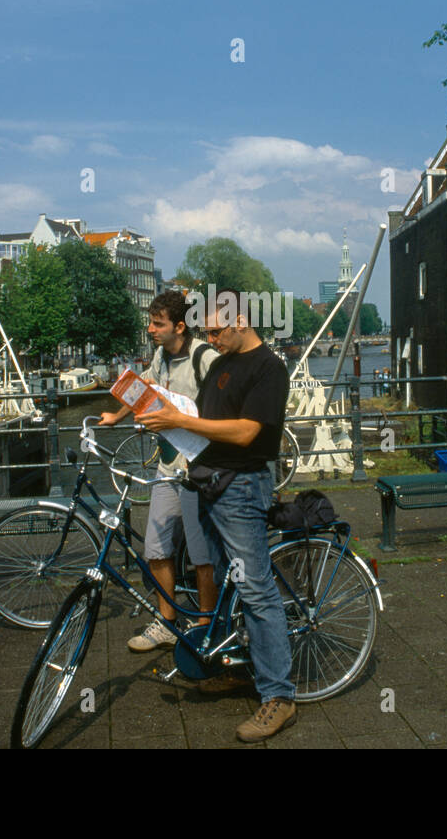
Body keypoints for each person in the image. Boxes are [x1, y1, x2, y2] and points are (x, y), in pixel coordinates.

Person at [137, 288, 295, 743]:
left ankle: (280, 697)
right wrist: (162, 414)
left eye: (217, 330)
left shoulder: (269, 368)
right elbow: (200, 414)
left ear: (240, 320)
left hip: (244, 486)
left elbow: (247, 432)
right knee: (225, 579)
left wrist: (182, 423)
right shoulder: (222, 365)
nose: (212, 338)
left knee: (255, 588)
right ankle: (239, 670)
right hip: (210, 482)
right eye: (206, 331)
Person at [98, 290, 218, 650]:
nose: (150, 329)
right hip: (168, 467)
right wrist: (116, 417)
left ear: (179, 326)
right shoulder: (161, 355)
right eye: (150, 322)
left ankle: (203, 626)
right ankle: (167, 620)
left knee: (202, 556)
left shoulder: (205, 358)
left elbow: (224, 411)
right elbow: (145, 386)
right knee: (155, 548)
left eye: (157, 324)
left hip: (198, 470)